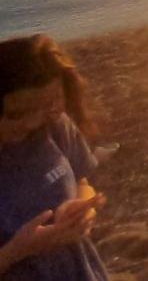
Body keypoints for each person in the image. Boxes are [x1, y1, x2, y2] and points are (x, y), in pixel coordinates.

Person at [0, 35, 109, 280]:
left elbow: (82, 183)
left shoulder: (56, 127)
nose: (33, 121)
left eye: (48, 105)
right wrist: (16, 251)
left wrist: (82, 211)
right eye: (16, 114)